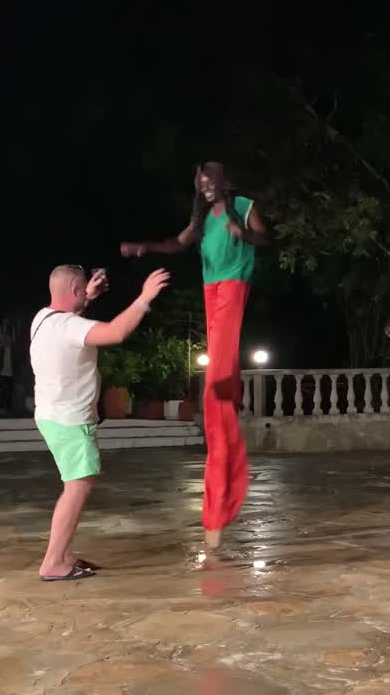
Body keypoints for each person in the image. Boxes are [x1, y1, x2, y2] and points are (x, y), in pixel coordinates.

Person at [119, 162, 268, 550]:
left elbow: (264, 239)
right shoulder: (201, 219)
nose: (204, 189)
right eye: (199, 185)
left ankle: (222, 392)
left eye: (209, 183)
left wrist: (244, 233)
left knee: (219, 374)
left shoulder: (244, 205)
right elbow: (177, 244)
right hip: (210, 289)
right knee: (217, 376)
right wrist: (146, 247)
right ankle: (223, 391)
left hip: (234, 284)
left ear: (223, 183)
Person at [30, 265, 169, 581]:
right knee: (78, 485)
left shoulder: (42, 318)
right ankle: (53, 562)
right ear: (75, 291)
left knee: (77, 483)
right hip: (69, 419)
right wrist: (145, 297)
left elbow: (69, 319)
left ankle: (63, 554)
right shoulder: (69, 326)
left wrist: (86, 297)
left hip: (52, 414)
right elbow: (117, 332)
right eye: (83, 291)